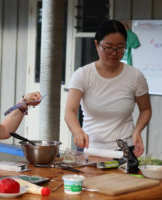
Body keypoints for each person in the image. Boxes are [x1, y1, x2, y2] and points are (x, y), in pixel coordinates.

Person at [64, 19, 151, 157]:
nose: (114, 53)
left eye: (120, 47)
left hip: (125, 150)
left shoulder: (135, 76)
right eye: (108, 47)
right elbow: (70, 111)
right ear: (97, 44)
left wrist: (137, 131)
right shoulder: (83, 75)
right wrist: (77, 131)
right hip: (91, 149)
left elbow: (145, 109)